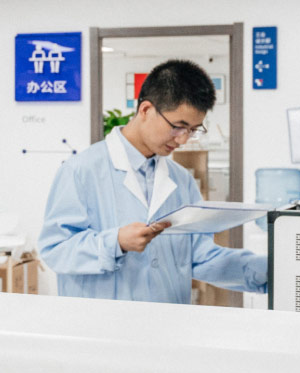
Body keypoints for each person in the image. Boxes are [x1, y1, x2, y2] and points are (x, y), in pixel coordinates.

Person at [37, 59, 267, 304]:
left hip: (168, 321)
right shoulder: (81, 171)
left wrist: (272, 270)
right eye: (178, 127)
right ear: (146, 110)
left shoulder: (182, 181)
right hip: (103, 322)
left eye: (192, 130)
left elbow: (200, 257)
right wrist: (115, 242)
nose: (183, 140)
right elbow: (56, 249)